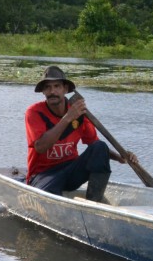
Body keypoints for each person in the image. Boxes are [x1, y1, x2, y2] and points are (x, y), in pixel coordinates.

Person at [25, 65, 135, 202]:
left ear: (65, 89)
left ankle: (94, 202)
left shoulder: (78, 113)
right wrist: (67, 118)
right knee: (48, 195)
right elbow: (40, 147)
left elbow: (95, 145)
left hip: (71, 169)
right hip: (43, 173)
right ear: (43, 91)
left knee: (100, 146)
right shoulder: (35, 112)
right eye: (47, 87)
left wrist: (119, 157)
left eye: (57, 86)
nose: (52, 91)